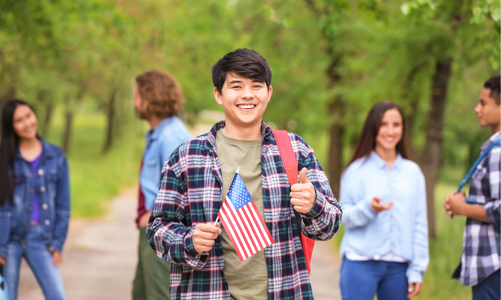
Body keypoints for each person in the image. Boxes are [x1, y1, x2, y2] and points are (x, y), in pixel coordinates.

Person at [146, 48, 342, 299]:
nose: (247, 95)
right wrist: (189, 240)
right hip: (206, 292)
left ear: (269, 93)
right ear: (218, 94)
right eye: (236, 86)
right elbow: (157, 229)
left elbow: (331, 225)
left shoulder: (295, 150)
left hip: (285, 291)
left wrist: (314, 204)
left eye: (256, 86)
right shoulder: (186, 157)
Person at [339, 101, 429, 300]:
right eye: (383, 124)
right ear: (373, 128)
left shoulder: (413, 173)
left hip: (399, 269)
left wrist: (417, 269)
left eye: (396, 125)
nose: (390, 131)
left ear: (403, 128)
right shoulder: (355, 171)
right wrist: (368, 208)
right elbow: (342, 216)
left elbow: (419, 224)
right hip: (359, 263)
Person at [0, 99, 70, 300]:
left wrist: (58, 243)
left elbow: (64, 205)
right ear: (11, 126)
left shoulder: (55, 156)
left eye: (29, 116)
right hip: (8, 240)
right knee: (5, 297)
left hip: (41, 239)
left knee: (57, 296)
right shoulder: (4, 158)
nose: (27, 123)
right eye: (19, 120)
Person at [132, 70, 192, 300]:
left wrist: (153, 215)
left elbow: (185, 188)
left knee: (158, 295)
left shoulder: (170, 136)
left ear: (149, 97)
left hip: (161, 229)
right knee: (141, 293)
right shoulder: (159, 133)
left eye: (136, 95)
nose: (134, 101)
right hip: (150, 228)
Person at [444, 75, 500, 300]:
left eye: (483, 103)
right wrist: (464, 202)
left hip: (493, 265)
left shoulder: (498, 152)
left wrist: (463, 208)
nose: (477, 109)